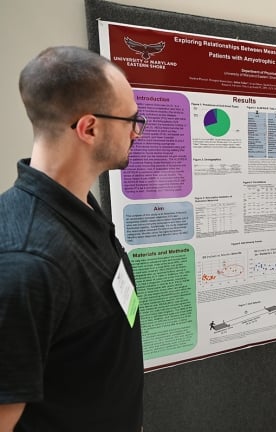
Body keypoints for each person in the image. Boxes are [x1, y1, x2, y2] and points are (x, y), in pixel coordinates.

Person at [0, 46, 146, 431]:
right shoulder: (26, 260)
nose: (136, 130)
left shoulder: (77, 208)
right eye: (131, 119)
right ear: (89, 128)